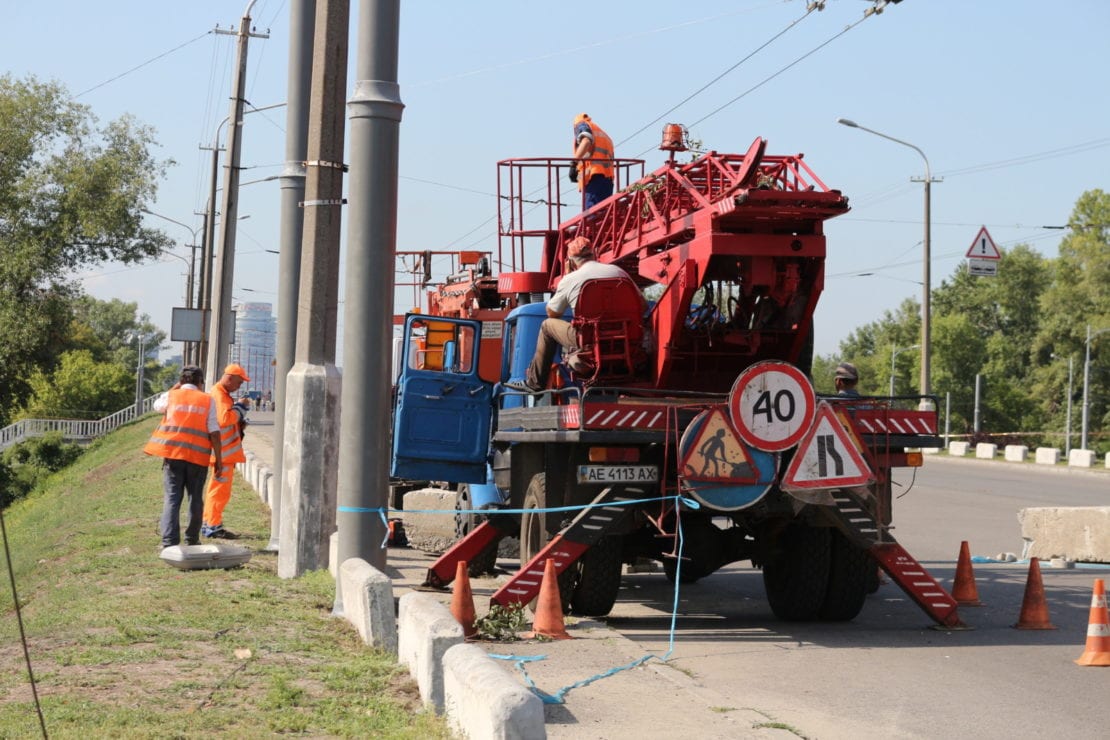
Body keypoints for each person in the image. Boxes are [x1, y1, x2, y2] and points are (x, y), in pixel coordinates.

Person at [512, 236, 634, 392]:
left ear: (569, 261)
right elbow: (642, 305)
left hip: (590, 340)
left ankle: (535, 382)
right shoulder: (619, 272)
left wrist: (567, 281)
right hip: (626, 337)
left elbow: (552, 313)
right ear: (595, 254)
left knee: (547, 325)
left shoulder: (570, 279)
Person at [143, 366, 222, 548]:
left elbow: (157, 406)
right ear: (200, 382)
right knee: (195, 498)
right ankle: (192, 539)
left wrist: (176, 386)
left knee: (172, 497)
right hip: (198, 458)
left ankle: (169, 542)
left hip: (173, 456)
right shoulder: (207, 400)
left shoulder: (171, 396)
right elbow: (215, 433)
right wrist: (218, 459)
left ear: (182, 381)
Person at [202, 364, 251, 539]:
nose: (240, 386)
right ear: (229, 378)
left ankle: (208, 522)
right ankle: (213, 526)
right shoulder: (220, 395)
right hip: (223, 455)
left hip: (222, 453)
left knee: (216, 490)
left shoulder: (220, 394)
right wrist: (240, 408)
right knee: (219, 492)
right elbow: (224, 419)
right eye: (239, 382)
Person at [570, 113, 615, 210]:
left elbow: (586, 141)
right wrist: (578, 176)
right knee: (604, 217)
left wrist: (573, 164)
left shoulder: (581, 124)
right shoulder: (604, 136)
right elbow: (590, 156)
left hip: (594, 180)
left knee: (593, 218)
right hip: (607, 180)